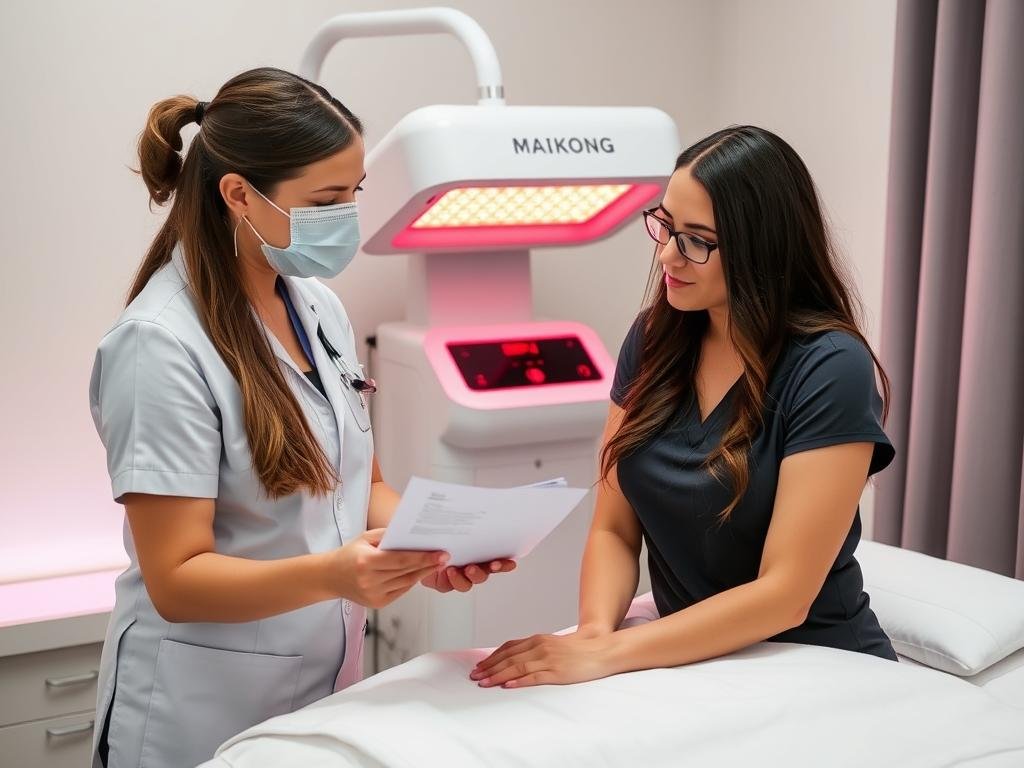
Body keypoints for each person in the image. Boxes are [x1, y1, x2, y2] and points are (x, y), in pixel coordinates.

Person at [88, 67, 514, 768]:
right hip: (199, 709)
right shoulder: (158, 344)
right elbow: (176, 577)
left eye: (354, 193)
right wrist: (337, 577)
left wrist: (435, 546)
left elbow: (357, 486)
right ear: (238, 195)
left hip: (321, 691)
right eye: (325, 198)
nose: (346, 214)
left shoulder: (317, 308)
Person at [472, 125, 897, 690]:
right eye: (666, 226)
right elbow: (614, 531)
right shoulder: (653, 340)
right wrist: (595, 633)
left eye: (697, 239)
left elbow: (785, 595)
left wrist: (609, 655)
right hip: (686, 661)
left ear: (762, 249)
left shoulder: (830, 367)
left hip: (813, 662)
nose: (669, 254)